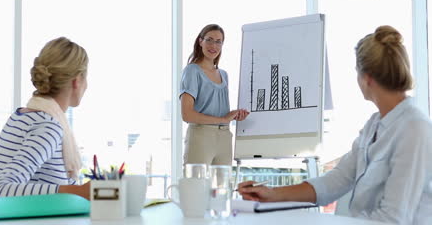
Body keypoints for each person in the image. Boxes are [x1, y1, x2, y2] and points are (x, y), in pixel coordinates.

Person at [237, 26, 432, 224]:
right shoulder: (374, 124)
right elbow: (336, 180)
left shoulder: (414, 129)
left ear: (367, 78)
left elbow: (393, 218)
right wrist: (272, 194)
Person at [0, 37, 90, 200]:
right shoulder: (48, 127)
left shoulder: (21, 117)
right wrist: (77, 191)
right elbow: (0, 190)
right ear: (77, 81)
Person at [180, 24, 249, 166]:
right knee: (196, 186)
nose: (214, 45)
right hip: (201, 136)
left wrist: (232, 115)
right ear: (200, 41)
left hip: (224, 136)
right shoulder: (192, 71)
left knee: (222, 187)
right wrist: (222, 118)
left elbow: (218, 110)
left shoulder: (224, 75)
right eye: (209, 40)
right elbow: (187, 115)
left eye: (218, 41)